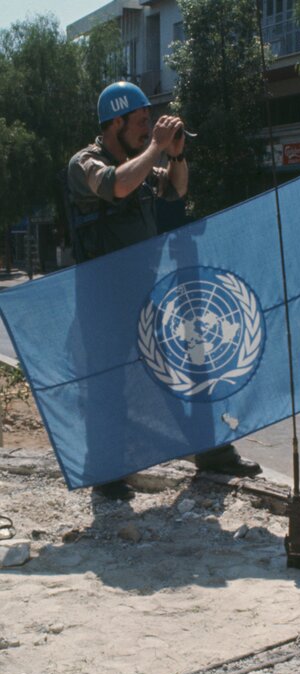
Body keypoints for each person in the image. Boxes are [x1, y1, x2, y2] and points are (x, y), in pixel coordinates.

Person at [67, 81, 260, 501]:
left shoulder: (142, 164)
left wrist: (176, 155)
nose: (147, 128)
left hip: (143, 295)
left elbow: (176, 188)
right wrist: (155, 147)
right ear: (115, 123)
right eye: (140, 122)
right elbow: (116, 185)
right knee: (108, 389)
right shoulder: (84, 163)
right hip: (102, 301)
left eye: (149, 122)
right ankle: (107, 474)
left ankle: (212, 452)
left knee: (186, 371)